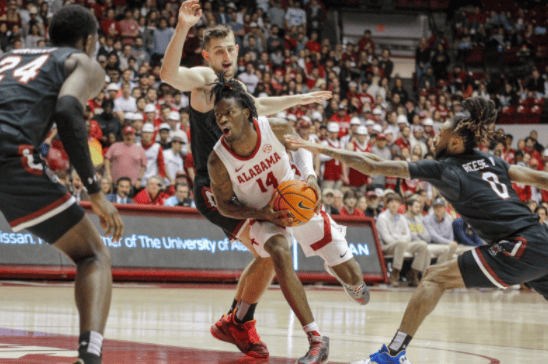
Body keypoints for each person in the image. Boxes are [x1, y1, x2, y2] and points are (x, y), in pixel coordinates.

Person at [286, 97, 548, 364]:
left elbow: (374, 165)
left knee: (434, 277)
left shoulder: (444, 169)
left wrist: (317, 147)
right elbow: (540, 178)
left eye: (441, 133)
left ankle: (393, 355)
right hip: (542, 239)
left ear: (455, 142)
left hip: (518, 246)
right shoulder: (493, 161)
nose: (435, 138)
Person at [160, 1, 332, 358]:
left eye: (229, 49)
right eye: (217, 50)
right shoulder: (206, 82)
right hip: (213, 188)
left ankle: (238, 320)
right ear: (207, 55)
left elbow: (262, 105)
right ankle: (240, 320)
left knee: (271, 253)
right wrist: (181, 28)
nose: (224, 55)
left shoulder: (235, 87)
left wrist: (299, 99)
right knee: (271, 250)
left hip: (244, 184)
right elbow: (169, 75)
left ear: (237, 50)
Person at [208, 75, 369, 364]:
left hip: (300, 203)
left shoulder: (276, 127)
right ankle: (317, 339)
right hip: (264, 216)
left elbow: (301, 147)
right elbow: (224, 206)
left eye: (228, 112)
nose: (222, 119)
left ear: (246, 112)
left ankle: (343, 274)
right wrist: (263, 213)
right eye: (218, 115)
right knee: (279, 254)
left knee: (357, 283)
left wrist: (310, 178)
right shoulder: (218, 160)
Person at [0, 6, 123, 364]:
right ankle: (90, 357)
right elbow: (69, 110)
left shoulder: (10, 56)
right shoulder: (82, 62)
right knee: (93, 255)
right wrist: (95, 192)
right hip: (9, 150)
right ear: (89, 40)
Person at [375, 193, 429, 287]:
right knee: (402, 242)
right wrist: (400, 237)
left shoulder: (405, 218)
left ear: (400, 205)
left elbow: (409, 237)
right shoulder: (382, 217)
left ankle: (414, 274)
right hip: (386, 246)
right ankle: (395, 274)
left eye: (396, 202)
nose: (394, 204)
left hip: (402, 244)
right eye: (392, 202)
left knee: (422, 245)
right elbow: (387, 238)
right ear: (387, 204)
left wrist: (397, 237)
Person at [405, 198, 454, 266]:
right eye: (416, 207)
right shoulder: (404, 219)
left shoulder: (417, 220)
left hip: (423, 244)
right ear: (409, 207)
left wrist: (419, 235)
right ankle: (427, 274)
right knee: (426, 248)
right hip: (412, 245)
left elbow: (427, 237)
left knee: (448, 248)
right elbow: (412, 236)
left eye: (419, 207)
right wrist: (420, 236)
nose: (418, 209)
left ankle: (438, 273)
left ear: (444, 208)